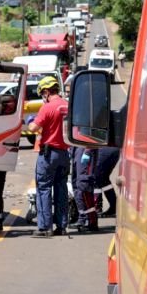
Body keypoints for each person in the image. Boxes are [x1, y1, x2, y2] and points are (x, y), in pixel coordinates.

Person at [28, 76, 70, 237]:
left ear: (46, 91)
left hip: (48, 154)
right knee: (61, 189)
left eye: (42, 94)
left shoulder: (47, 107)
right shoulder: (67, 105)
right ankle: (62, 226)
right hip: (64, 154)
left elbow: (33, 128)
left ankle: (45, 227)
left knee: (44, 189)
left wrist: (32, 121)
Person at [72, 147, 99, 231]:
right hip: (76, 147)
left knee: (84, 185)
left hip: (85, 147)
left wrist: (88, 149)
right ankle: (82, 218)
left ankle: (90, 220)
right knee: (76, 185)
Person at [94, 147, 121, 217]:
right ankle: (113, 207)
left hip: (104, 147)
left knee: (96, 178)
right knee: (103, 179)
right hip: (112, 149)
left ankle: (97, 208)